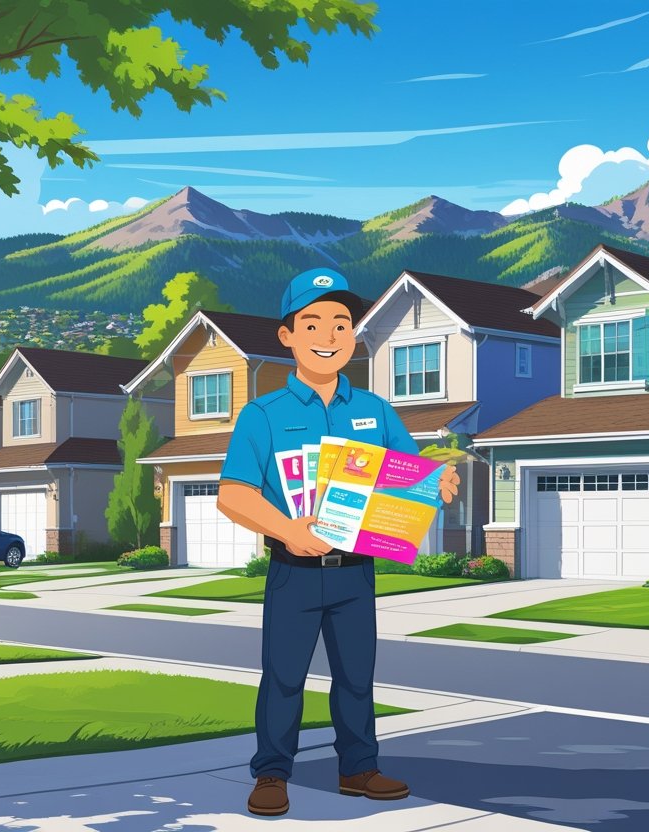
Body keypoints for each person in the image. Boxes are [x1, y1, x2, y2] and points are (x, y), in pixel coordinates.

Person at [217, 267, 460, 817]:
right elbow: (233, 494)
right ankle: (273, 773)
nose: (328, 336)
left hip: (356, 570)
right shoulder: (264, 415)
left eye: (341, 324)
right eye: (313, 323)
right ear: (287, 336)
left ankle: (358, 769)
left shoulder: (373, 410)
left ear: (353, 335)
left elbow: (412, 474)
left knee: (356, 677)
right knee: (284, 677)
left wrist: (438, 481)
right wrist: (286, 530)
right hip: (294, 571)